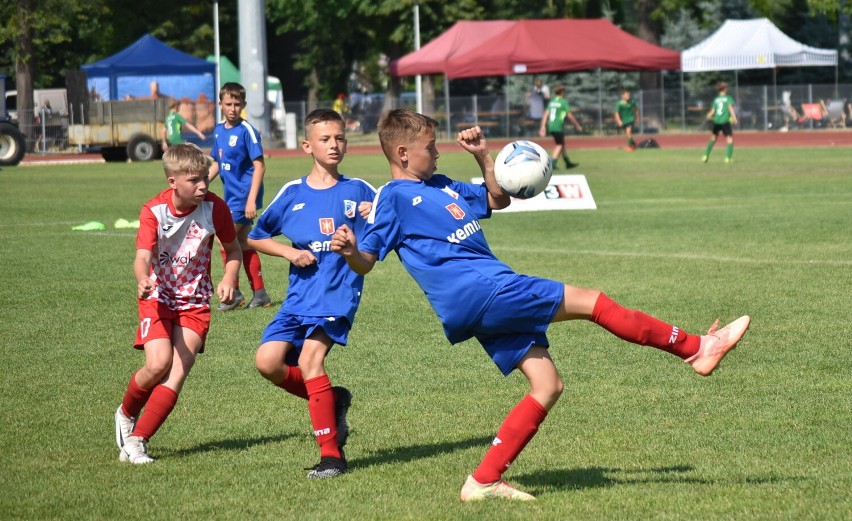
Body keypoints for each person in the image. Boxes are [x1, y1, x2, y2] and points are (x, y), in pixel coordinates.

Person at [331, 109, 751, 502]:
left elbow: (497, 199)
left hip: (485, 294)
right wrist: (351, 249)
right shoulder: (393, 198)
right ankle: (696, 347)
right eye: (430, 147)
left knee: (548, 385)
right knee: (593, 301)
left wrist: (483, 158)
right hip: (483, 291)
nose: (438, 152)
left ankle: (483, 481)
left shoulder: (439, 185)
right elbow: (366, 261)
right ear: (402, 153)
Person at [247, 109, 376, 479]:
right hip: (298, 298)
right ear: (307, 145)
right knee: (268, 363)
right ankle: (332, 400)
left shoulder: (360, 192)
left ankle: (332, 457)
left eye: (339, 138)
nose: (334, 145)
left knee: (309, 362)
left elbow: (377, 242)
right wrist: (289, 252)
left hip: (337, 295)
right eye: (325, 139)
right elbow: (255, 236)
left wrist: (359, 236)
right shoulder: (292, 193)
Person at [113, 143, 242, 464]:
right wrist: (143, 278)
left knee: (178, 371)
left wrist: (229, 278)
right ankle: (127, 412)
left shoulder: (216, 208)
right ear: (173, 182)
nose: (203, 186)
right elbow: (142, 257)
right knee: (157, 365)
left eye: (205, 179)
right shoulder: (153, 211)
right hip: (156, 296)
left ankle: (137, 441)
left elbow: (234, 250)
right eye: (194, 180)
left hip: (195, 301)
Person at [209, 82, 271, 310]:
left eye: (237, 104)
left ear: (243, 105)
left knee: (225, 242)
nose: (233, 109)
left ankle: (233, 293)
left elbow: (260, 165)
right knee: (242, 243)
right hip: (231, 197)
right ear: (220, 104)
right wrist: (202, 183)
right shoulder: (218, 130)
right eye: (228, 104)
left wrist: (252, 199)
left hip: (243, 197)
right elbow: (217, 162)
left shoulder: (247, 131)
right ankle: (260, 293)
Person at [539, 85, 582, 169]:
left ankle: (567, 162)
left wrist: (543, 126)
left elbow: (545, 114)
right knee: (559, 145)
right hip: (558, 126)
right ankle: (552, 164)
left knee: (562, 144)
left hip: (551, 126)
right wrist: (577, 125)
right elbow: (569, 115)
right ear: (562, 92)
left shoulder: (552, 102)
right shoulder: (563, 101)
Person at [702, 81, 738, 164]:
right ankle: (728, 158)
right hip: (725, 121)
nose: (727, 89)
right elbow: (730, 108)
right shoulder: (728, 98)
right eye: (727, 88)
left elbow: (713, 111)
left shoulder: (716, 99)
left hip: (716, 121)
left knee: (713, 138)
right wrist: (734, 117)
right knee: (729, 139)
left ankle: (705, 155)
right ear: (724, 89)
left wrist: (708, 115)